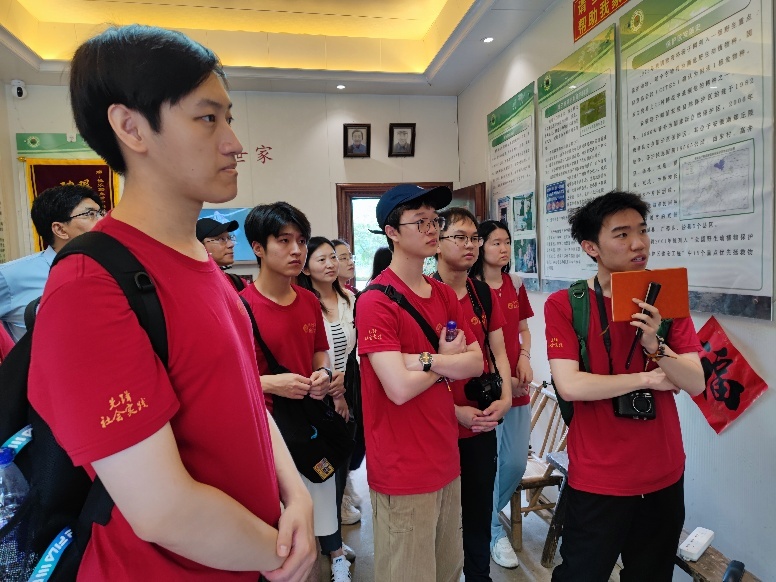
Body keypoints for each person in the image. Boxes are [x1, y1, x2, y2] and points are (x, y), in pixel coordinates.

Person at [28, 25, 315, 581]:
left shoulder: (205, 264)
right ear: (131, 127)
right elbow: (163, 509)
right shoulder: (90, 285)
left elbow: (247, 402)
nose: (233, 142)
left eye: (228, 118)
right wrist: (282, 557)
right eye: (208, 118)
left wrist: (296, 496)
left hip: (250, 559)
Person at [546, 191, 705, 581]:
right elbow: (570, 385)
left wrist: (655, 345)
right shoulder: (566, 304)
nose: (638, 243)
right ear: (591, 247)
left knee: (651, 575)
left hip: (663, 472)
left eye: (642, 231)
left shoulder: (667, 297)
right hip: (599, 476)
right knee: (581, 574)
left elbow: (696, 381)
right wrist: (648, 378)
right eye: (622, 234)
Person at [356, 184, 483, 581]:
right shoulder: (375, 301)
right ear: (392, 232)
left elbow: (475, 362)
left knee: (447, 571)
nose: (432, 229)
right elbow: (398, 389)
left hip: (446, 458)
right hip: (402, 468)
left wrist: (424, 361)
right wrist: (444, 362)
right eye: (420, 221)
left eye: (435, 220)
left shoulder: (443, 293)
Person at [239, 203, 344, 580]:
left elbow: (320, 351)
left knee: (316, 521)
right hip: (267, 433)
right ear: (258, 248)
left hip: (310, 424)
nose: (297, 250)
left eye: (301, 240)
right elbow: (228, 380)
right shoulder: (240, 307)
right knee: (280, 537)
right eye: (284, 241)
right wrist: (272, 383)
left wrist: (323, 373)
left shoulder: (309, 301)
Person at [434, 207, 512, 582]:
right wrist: (454, 412)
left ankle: (479, 576)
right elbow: (418, 368)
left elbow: (498, 351)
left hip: (481, 423)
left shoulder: (482, 292)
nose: (470, 245)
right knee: (443, 517)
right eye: (459, 237)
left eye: (474, 238)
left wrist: (506, 397)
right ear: (436, 243)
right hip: (438, 426)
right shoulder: (425, 295)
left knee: (479, 512)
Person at [470, 220, 534, 570]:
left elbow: (524, 330)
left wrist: (524, 357)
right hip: (486, 389)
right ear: (481, 246)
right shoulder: (471, 289)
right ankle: (494, 532)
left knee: (515, 462)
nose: (504, 248)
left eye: (507, 241)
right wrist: (503, 378)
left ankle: (483, 517)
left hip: (518, 387)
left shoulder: (515, 284)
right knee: (488, 465)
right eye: (496, 242)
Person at [297, 236, 360, 578]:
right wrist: (331, 389)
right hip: (315, 401)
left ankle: (331, 538)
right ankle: (331, 546)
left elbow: (354, 354)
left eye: (333, 257)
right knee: (322, 475)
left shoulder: (350, 299)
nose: (331, 264)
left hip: (347, 396)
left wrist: (344, 389)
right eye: (321, 259)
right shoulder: (304, 302)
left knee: (340, 471)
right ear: (306, 268)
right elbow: (306, 352)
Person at [0, 184, 104, 341]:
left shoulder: (109, 268)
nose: (102, 221)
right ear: (60, 230)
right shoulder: (11, 276)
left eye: (101, 213)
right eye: (90, 214)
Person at [196, 217, 246, 291]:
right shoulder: (192, 285)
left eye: (229, 238)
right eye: (221, 239)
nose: (231, 244)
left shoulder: (238, 283)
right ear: (199, 245)